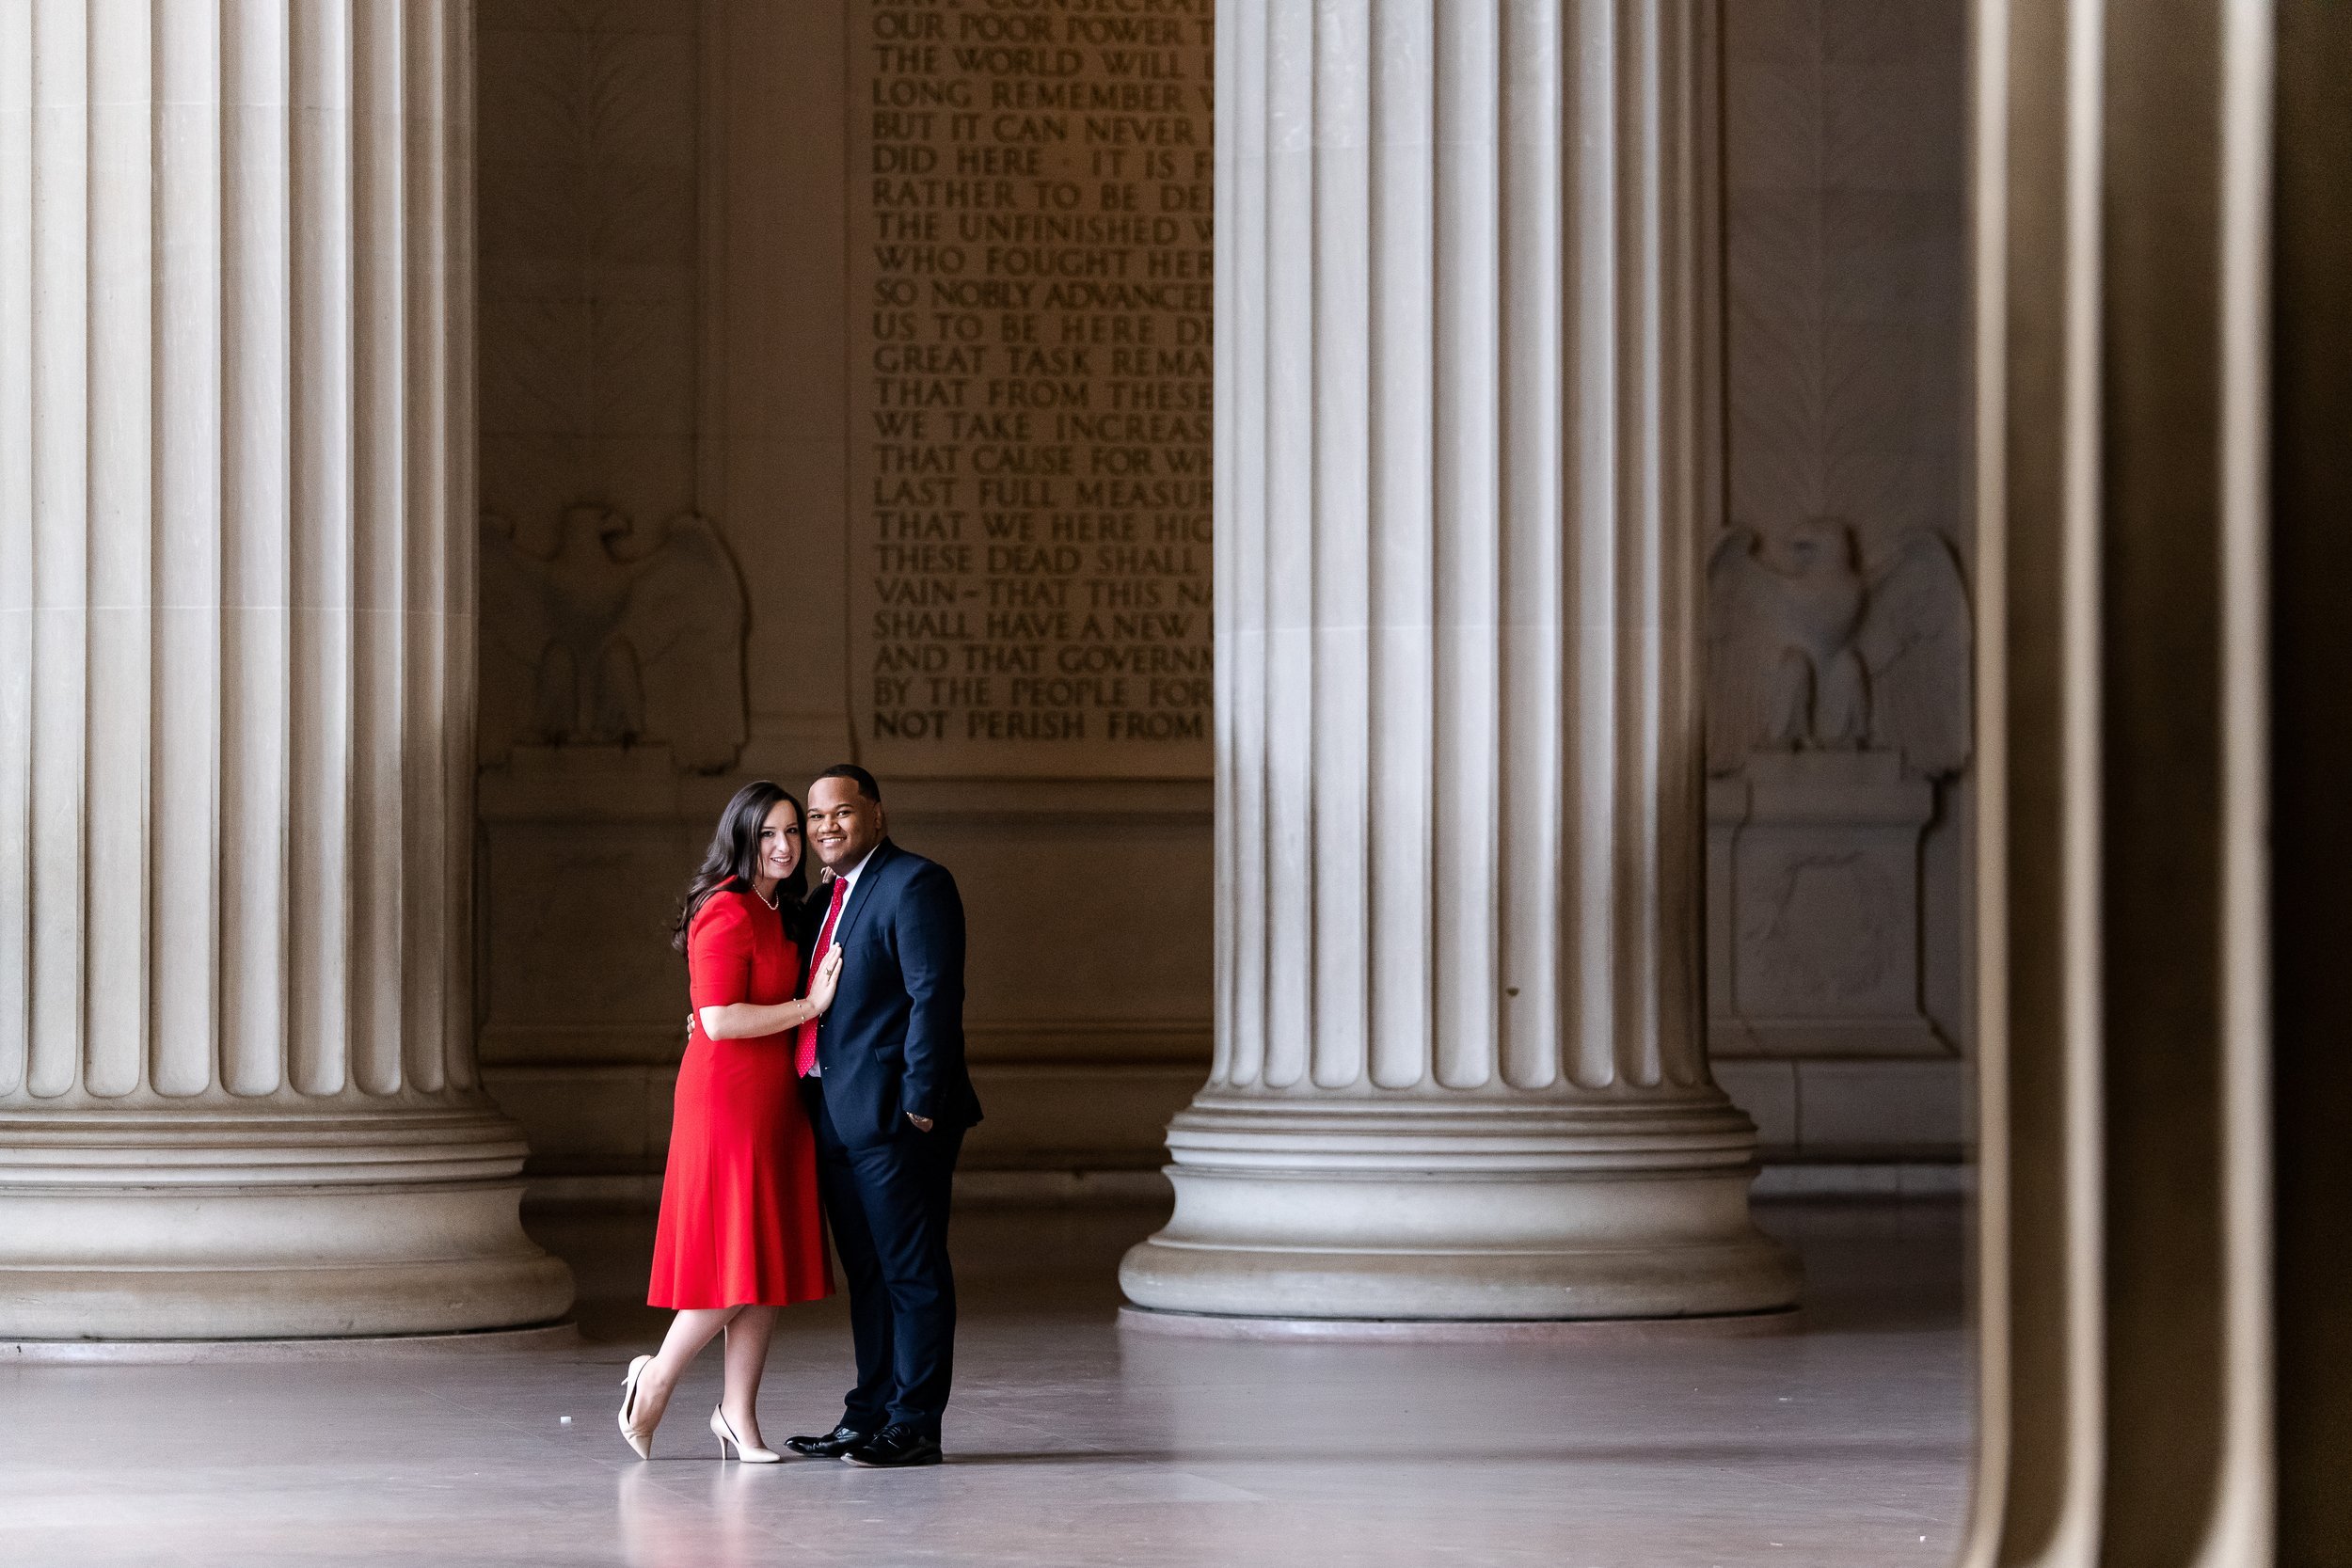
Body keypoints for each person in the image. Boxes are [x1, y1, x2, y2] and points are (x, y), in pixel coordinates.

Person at [617, 782, 843, 1462]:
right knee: (737, 1261)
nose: (783, 845)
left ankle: (737, 1417)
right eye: (767, 833)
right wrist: (810, 1006)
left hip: (773, 1095)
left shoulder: (779, 911)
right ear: (740, 839)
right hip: (725, 1099)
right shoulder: (725, 911)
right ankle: (653, 1378)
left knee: (765, 1258)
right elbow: (717, 1020)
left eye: (791, 833)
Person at [783, 764, 982, 1468]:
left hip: (900, 1119)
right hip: (835, 1116)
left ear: (876, 815)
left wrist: (922, 1103)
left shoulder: (916, 883)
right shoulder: (821, 900)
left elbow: (935, 997)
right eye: (814, 817)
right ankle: (868, 1412)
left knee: (911, 1270)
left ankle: (915, 1422)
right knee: (867, 1272)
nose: (825, 826)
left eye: (839, 812)